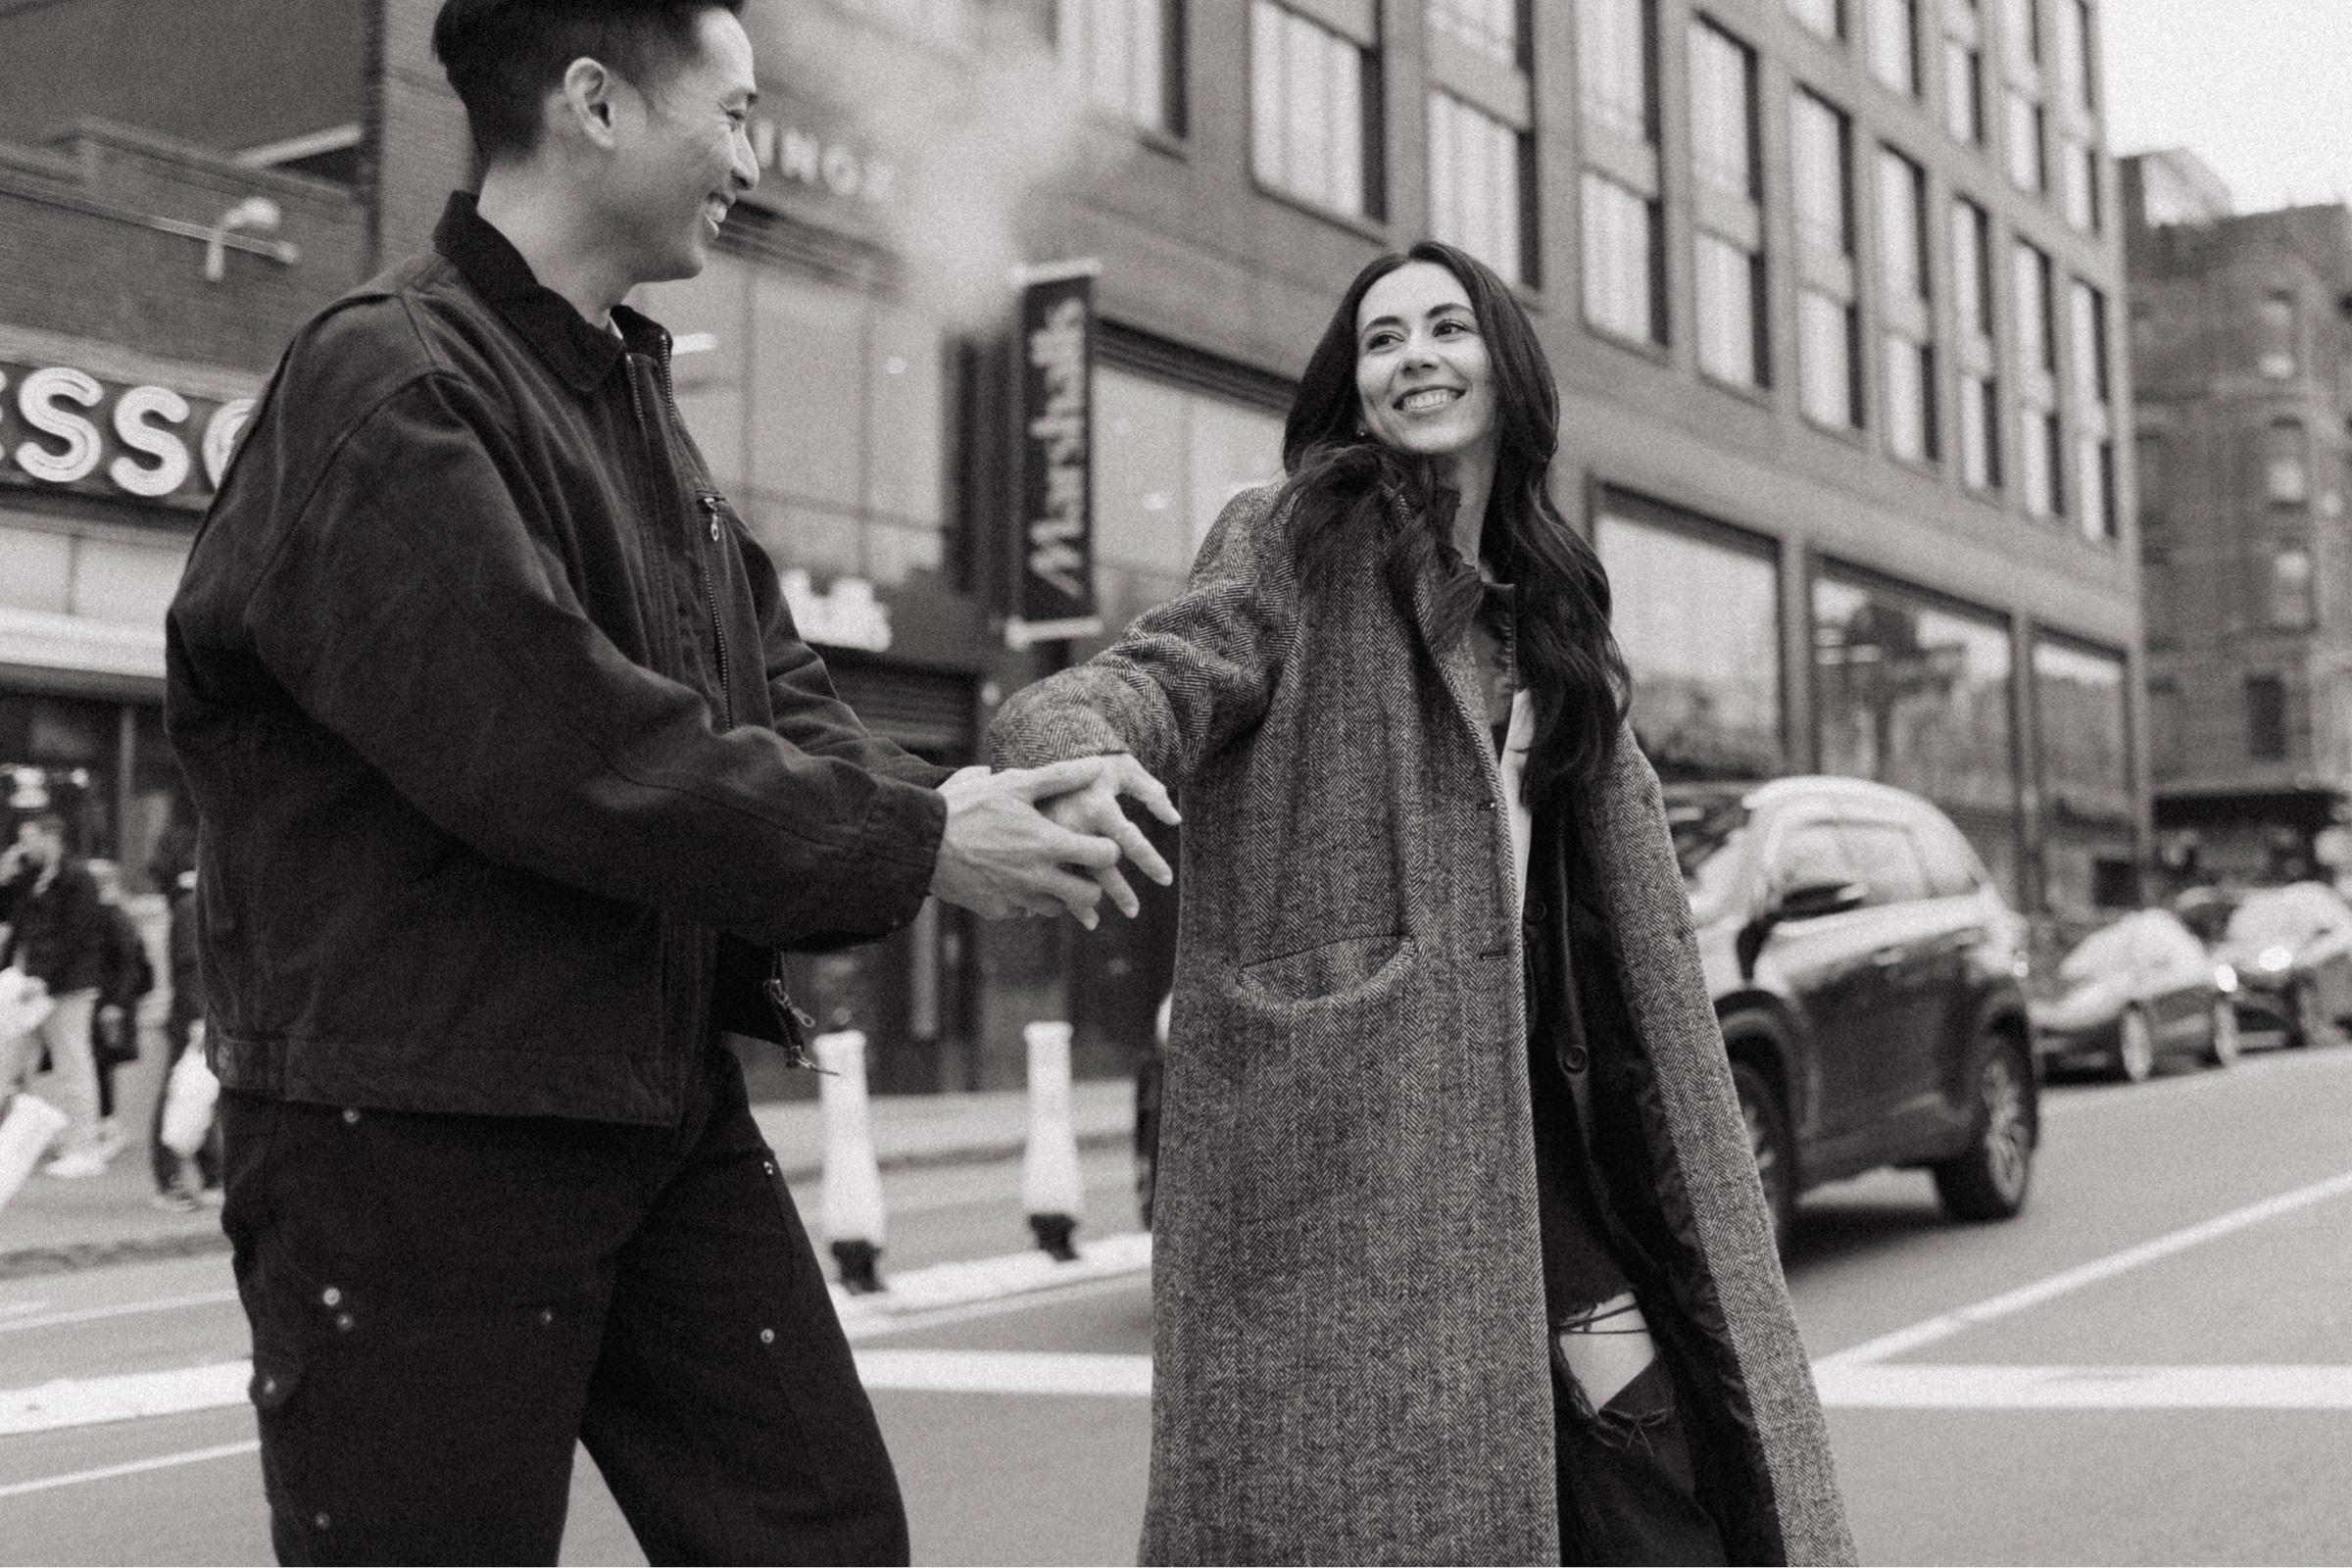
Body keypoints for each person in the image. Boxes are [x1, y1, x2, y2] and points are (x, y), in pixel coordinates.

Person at [165, 2, 1170, 1562]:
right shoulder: (385, 386)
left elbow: (779, 696)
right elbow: (573, 754)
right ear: (596, 103)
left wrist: (976, 809)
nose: (752, 164)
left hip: (655, 1105)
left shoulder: (633, 403)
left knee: (825, 1535)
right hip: (417, 1137)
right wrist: (915, 842)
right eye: (737, 114)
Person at [992, 242, 1855, 1566]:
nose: (1415, 358)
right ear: (1355, 387)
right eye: (1383, 340)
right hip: (1367, 1165)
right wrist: (1068, 735)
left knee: (1664, 1485)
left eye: (1447, 328)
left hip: (1562, 1142)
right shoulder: (1293, 540)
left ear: (1504, 371)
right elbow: (1171, 665)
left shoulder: (1552, 605)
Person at [0, 813, 113, 1179]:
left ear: (51, 838)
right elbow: (15, 922)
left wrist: (44, 977)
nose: (23, 846)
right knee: (6, 1061)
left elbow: (76, 934)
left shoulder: (78, 878)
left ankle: (84, 1148)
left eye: (28, 838)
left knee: (72, 1065)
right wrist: (6, 878)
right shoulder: (30, 879)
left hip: (65, 987)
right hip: (29, 987)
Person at [149, 865, 220, 1211]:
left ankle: (203, 1174)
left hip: (199, 1014)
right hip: (195, 1017)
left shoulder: (194, 904)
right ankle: (172, 1179)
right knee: (182, 1092)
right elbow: (192, 966)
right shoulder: (194, 906)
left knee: (197, 1094)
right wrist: (197, 1016)